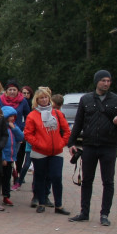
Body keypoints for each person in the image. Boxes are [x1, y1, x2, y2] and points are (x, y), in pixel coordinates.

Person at [69, 69, 117, 226]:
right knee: (87, 180)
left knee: (108, 181)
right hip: (89, 145)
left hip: (108, 146)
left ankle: (105, 214)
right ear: (97, 82)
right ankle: (84, 212)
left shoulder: (116, 100)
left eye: (109, 81)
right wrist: (71, 142)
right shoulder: (86, 99)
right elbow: (78, 121)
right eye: (103, 81)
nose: (106, 83)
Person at [24, 87, 71, 215]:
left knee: (56, 177)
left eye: (46, 97)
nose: (44, 100)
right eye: (41, 98)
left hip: (56, 151)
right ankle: (41, 202)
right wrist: (39, 144)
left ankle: (59, 205)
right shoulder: (32, 115)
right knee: (40, 177)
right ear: (37, 100)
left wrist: (61, 143)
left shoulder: (57, 114)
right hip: (40, 152)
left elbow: (67, 131)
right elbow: (28, 134)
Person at [0, 106, 24, 207]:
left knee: (7, 178)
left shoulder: (14, 126)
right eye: (10, 116)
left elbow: (21, 137)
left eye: (14, 116)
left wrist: (14, 128)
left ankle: (6, 196)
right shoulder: (1, 127)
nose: (13, 118)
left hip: (11, 157)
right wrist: (2, 157)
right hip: (3, 157)